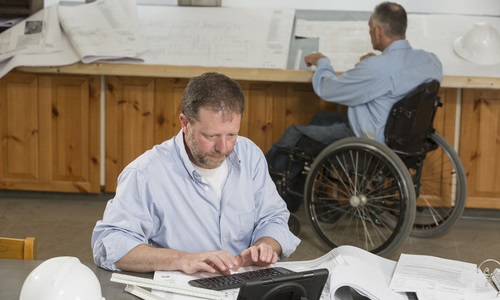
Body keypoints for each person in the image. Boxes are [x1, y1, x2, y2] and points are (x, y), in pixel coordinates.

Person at [92, 72, 300, 274]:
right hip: (185, 289)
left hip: (243, 283)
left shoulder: (249, 155)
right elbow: (109, 243)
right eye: (211, 136)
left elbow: (273, 216)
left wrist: (266, 245)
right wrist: (183, 259)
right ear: (185, 123)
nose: (224, 147)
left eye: (231, 134)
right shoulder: (145, 173)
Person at [266, 1, 443, 211]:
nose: (371, 34)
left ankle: (264, 198)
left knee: (294, 134)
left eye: (370, 30)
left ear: (377, 31)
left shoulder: (375, 69)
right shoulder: (431, 61)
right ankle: (295, 198)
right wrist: (376, 64)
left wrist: (323, 62)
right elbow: (392, 81)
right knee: (321, 118)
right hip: (404, 140)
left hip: (371, 142)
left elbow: (327, 88)